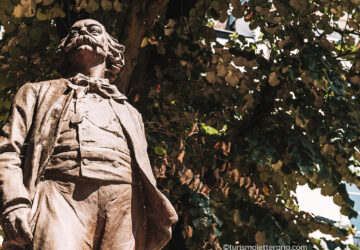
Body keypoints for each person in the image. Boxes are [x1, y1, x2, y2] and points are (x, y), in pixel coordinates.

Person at [0, 19, 178, 250]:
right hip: (59, 193)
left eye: (93, 30)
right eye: (75, 31)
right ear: (64, 50)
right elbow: (7, 150)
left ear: (110, 49)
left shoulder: (131, 112)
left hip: (123, 201)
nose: (83, 32)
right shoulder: (36, 92)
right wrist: (14, 203)